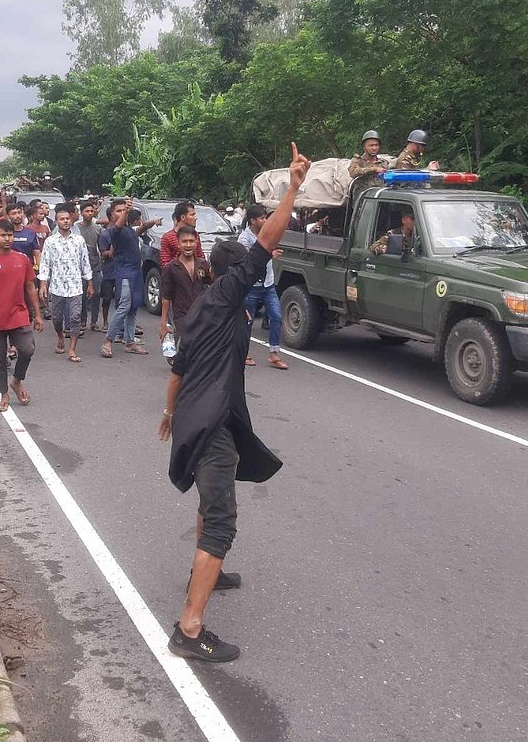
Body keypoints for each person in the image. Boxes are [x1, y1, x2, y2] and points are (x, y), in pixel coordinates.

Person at [159, 141, 310, 663]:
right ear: (234, 274)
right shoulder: (226, 298)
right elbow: (266, 242)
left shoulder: (201, 310)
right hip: (211, 427)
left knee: (210, 502)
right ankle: (189, 628)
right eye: (249, 266)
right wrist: (292, 187)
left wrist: (166, 414)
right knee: (221, 520)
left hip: (192, 419)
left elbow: (177, 370)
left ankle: (211, 573)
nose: (260, 266)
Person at [0, 219, 44, 411]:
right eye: (3, 235)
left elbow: (30, 288)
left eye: (10, 235)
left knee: (28, 349)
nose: (7, 239)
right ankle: (3, 395)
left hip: (19, 315)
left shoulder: (22, 260)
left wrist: (37, 314)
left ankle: (17, 380)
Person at [101, 199, 161, 358]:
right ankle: (108, 340)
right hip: (125, 273)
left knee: (133, 307)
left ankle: (129, 342)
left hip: (135, 273)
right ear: (112, 214)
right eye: (119, 211)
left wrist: (153, 222)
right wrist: (127, 210)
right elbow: (120, 225)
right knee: (124, 306)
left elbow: (141, 228)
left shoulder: (129, 230)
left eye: (124, 210)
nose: (122, 213)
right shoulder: (115, 230)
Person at [38, 202, 94, 363]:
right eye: (62, 219)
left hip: (76, 286)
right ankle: (60, 337)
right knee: (57, 318)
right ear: (56, 222)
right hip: (57, 287)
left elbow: (85, 262)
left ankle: (72, 348)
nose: (65, 221)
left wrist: (89, 282)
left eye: (68, 219)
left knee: (75, 317)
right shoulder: (50, 242)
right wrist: (43, 284)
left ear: (71, 220)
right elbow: (45, 263)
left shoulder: (79, 240)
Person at [238, 205, 288, 370]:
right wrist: (269, 254)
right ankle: (242, 353)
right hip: (252, 286)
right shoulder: (245, 238)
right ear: (253, 220)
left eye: (266, 217)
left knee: (277, 317)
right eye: (262, 218)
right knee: (247, 322)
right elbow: (249, 258)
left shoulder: (268, 235)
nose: (265, 221)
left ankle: (274, 354)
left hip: (268, 284)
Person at [159, 225, 212, 344]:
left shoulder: (204, 265)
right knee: (185, 347)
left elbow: (216, 286)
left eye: (191, 241)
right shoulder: (171, 268)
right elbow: (166, 298)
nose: (188, 245)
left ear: (196, 243)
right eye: (184, 241)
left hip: (202, 316)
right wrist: (163, 324)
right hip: (181, 317)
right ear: (178, 244)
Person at [77, 198, 104, 334]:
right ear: (81, 213)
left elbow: (102, 247)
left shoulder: (98, 229)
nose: (90, 213)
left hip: (95, 266)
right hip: (79, 268)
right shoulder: (76, 228)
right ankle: (82, 321)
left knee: (96, 294)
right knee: (81, 295)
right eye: (87, 211)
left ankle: (94, 322)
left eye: (92, 211)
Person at [159, 201, 205, 267]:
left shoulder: (195, 235)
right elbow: (165, 264)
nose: (195, 218)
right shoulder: (167, 237)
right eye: (192, 215)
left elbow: (201, 257)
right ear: (183, 217)